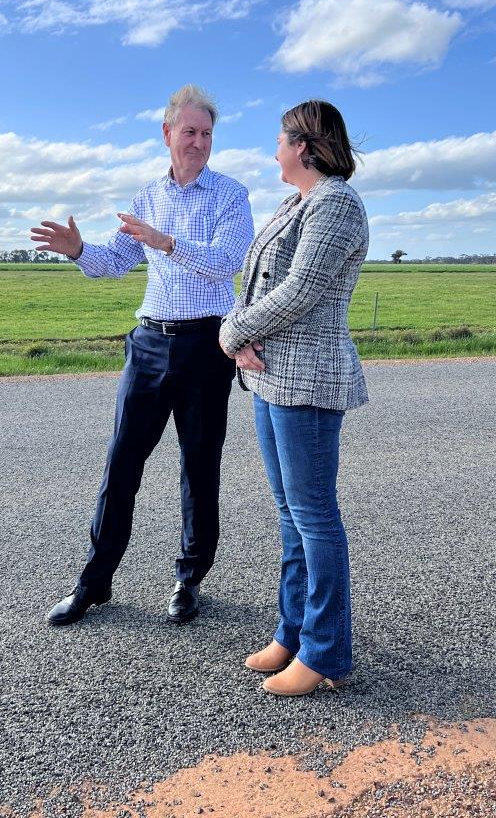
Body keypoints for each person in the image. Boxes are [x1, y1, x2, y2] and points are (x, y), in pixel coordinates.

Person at [31, 85, 254, 627]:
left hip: (206, 343)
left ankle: (189, 579)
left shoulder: (230, 195)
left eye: (206, 134)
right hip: (149, 343)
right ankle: (93, 582)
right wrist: (81, 252)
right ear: (167, 134)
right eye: (189, 132)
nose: (199, 142)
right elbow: (117, 259)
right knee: (121, 463)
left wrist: (166, 241)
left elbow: (228, 262)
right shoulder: (147, 196)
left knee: (199, 466)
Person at [219, 100, 368, 697]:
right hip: (271, 376)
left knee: (314, 517)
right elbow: (256, 279)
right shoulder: (297, 203)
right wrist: (241, 331)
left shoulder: (335, 204)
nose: (273, 151)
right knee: (290, 515)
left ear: (303, 146)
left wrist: (232, 333)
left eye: (279, 140)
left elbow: (300, 291)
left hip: (307, 381)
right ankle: (294, 632)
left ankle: (326, 652)